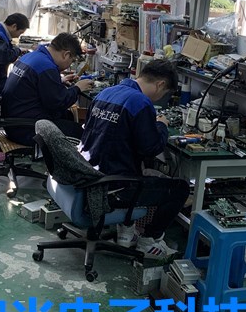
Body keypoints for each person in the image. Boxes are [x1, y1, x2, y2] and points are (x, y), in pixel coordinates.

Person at [80, 59, 190, 259]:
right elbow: (151, 148)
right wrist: (162, 126)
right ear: (160, 85)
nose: (161, 98)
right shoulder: (140, 103)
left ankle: (126, 231)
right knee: (180, 189)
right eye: (165, 93)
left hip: (90, 175)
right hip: (115, 187)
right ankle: (148, 241)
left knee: (136, 167)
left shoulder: (106, 93)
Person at [2, 32, 93, 144]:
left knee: (68, 117)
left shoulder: (31, 56)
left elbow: (33, 86)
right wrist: (77, 88)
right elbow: (58, 104)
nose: (70, 65)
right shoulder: (47, 67)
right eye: (72, 60)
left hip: (12, 123)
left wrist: (59, 81)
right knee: (83, 134)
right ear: (66, 55)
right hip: (27, 129)